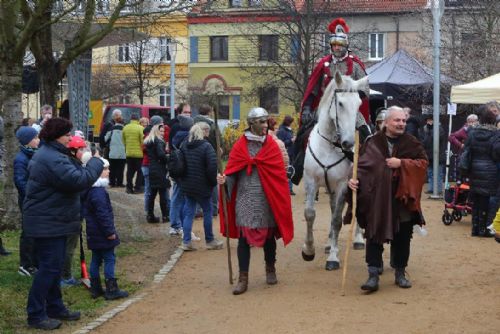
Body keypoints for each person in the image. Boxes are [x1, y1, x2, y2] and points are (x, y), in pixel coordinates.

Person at [23, 117, 103, 330]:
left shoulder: (52, 154)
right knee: (49, 269)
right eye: (68, 134)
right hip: (47, 221)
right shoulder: (52, 158)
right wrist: (95, 162)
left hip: (51, 219)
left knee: (54, 267)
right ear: (57, 136)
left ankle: (55, 307)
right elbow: (78, 181)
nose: (71, 138)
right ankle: (36, 314)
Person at [346, 106, 428, 293]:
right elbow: (360, 166)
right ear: (386, 122)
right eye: (397, 120)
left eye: (403, 121)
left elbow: (423, 165)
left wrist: (402, 164)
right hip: (377, 199)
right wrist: (352, 180)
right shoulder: (372, 142)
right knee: (374, 234)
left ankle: (400, 271)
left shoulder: (411, 142)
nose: (401, 124)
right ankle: (373, 273)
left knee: (403, 236)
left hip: (402, 199)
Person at [217, 107, 294, 295]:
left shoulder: (271, 145)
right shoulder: (240, 146)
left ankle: (270, 269)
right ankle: (243, 278)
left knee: (268, 237)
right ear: (251, 124)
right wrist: (225, 181)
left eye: (266, 121)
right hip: (245, 198)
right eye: (261, 122)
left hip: (267, 198)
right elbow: (233, 172)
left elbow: (278, 174)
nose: (265, 125)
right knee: (244, 239)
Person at [293, 17, 371, 185]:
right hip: (325, 109)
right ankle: (295, 168)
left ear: (345, 46)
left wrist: (350, 96)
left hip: (349, 110)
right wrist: (307, 109)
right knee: (303, 134)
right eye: (334, 45)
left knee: (367, 135)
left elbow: (365, 89)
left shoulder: (355, 64)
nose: (336, 48)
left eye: (339, 45)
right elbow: (312, 89)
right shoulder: (323, 64)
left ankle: (367, 169)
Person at [82, 158, 129, 300]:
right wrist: (109, 232)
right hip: (102, 233)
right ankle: (111, 289)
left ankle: (95, 288)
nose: (108, 172)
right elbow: (103, 215)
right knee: (109, 258)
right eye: (105, 169)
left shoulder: (90, 190)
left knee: (96, 259)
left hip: (93, 232)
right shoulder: (98, 193)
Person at [179, 122, 223, 251]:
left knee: (189, 213)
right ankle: (210, 240)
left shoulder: (184, 145)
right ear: (203, 131)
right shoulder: (206, 147)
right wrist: (212, 183)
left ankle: (186, 242)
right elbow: (212, 167)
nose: (208, 134)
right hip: (203, 186)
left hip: (188, 185)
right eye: (207, 132)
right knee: (208, 211)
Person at [59, 135, 90, 288]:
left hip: (72, 211)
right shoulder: (72, 167)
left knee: (68, 245)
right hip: (71, 213)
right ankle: (64, 276)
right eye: (82, 149)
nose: (84, 152)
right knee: (68, 247)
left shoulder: (72, 164)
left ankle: (63, 274)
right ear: (73, 151)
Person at [463, 109, 498, 237]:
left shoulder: (472, 133)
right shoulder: (496, 134)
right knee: (485, 200)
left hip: (474, 169)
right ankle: (483, 230)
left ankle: (475, 229)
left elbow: (467, 149)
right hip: (490, 170)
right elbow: (496, 153)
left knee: (476, 200)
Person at [14, 126, 40, 275]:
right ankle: (25, 264)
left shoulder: (32, 155)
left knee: (36, 232)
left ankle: (34, 261)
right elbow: (20, 181)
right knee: (28, 233)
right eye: (35, 138)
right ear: (27, 141)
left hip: (34, 200)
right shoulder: (21, 159)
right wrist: (32, 196)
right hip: (28, 201)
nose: (38, 140)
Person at [169, 114, 194, 236]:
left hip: (177, 171)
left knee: (177, 198)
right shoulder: (187, 139)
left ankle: (175, 225)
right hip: (184, 172)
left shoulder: (176, 136)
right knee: (181, 199)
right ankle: (178, 226)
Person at [194, 104, 222, 214]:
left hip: (196, 155)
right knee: (213, 181)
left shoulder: (193, 122)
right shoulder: (212, 124)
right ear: (209, 112)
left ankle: (197, 209)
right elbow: (219, 139)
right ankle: (214, 208)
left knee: (197, 180)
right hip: (211, 154)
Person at [142, 116, 170, 222]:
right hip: (159, 169)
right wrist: (168, 157)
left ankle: (150, 215)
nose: (163, 133)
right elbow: (161, 155)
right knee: (162, 193)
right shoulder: (158, 141)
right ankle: (165, 215)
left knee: (152, 194)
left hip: (152, 168)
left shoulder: (150, 141)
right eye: (161, 131)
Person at [419, 114, 446, 195]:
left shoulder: (439, 129)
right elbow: (425, 142)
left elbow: (437, 138)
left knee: (438, 173)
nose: (429, 122)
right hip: (429, 155)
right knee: (430, 173)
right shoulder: (426, 130)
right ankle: (431, 189)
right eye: (428, 120)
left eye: (431, 120)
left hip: (438, 155)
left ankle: (438, 190)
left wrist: (431, 129)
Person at [122, 113, 144, 194]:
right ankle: (137, 188)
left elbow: (123, 140)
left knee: (129, 171)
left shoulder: (125, 128)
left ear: (131, 119)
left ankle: (129, 187)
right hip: (139, 154)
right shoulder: (140, 128)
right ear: (138, 119)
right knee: (140, 171)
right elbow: (142, 141)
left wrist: (127, 148)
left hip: (129, 153)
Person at [105, 111, 126, 187]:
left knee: (112, 168)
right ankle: (120, 183)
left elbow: (106, 139)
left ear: (116, 121)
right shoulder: (125, 129)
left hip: (113, 152)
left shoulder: (111, 129)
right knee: (121, 168)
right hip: (122, 152)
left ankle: (112, 182)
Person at [276, 115, 295, 195]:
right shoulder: (282, 131)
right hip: (285, 153)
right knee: (287, 171)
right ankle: (288, 189)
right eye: (290, 122)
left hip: (290, 152)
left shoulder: (289, 130)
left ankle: (290, 188)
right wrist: (291, 140)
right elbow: (281, 143)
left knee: (290, 170)